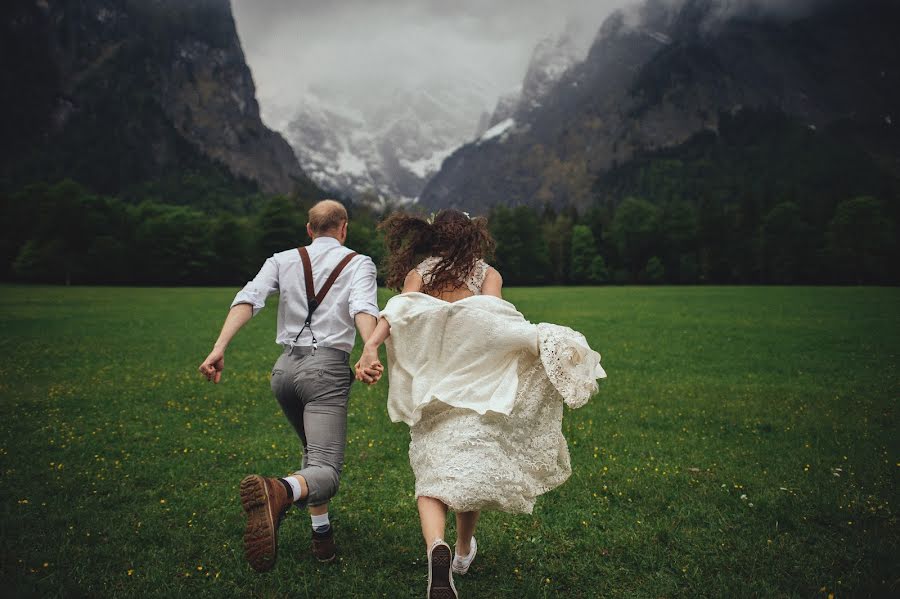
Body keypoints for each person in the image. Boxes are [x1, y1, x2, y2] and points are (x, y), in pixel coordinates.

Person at [354, 209, 606, 599]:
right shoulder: (487, 275)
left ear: (432, 236)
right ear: (472, 235)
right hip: (478, 390)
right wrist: (539, 342)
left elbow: (398, 313)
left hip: (432, 390)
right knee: (466, 472)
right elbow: (497, 324)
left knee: (432, 478)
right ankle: (462, 550)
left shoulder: (419, 274)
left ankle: (435, 544)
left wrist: (371, 347)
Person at [198, 199, 380, 572]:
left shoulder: (281, 259)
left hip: (284, 372)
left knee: (312, 452)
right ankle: (278, 490)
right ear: (344, 228)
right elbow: (363, 305)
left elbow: (249, 298)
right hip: (325, 371)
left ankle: (322, 535)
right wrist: (368, 350)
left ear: (309, 229)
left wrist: (219, 348)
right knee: (326, 472)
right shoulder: (358, 262)